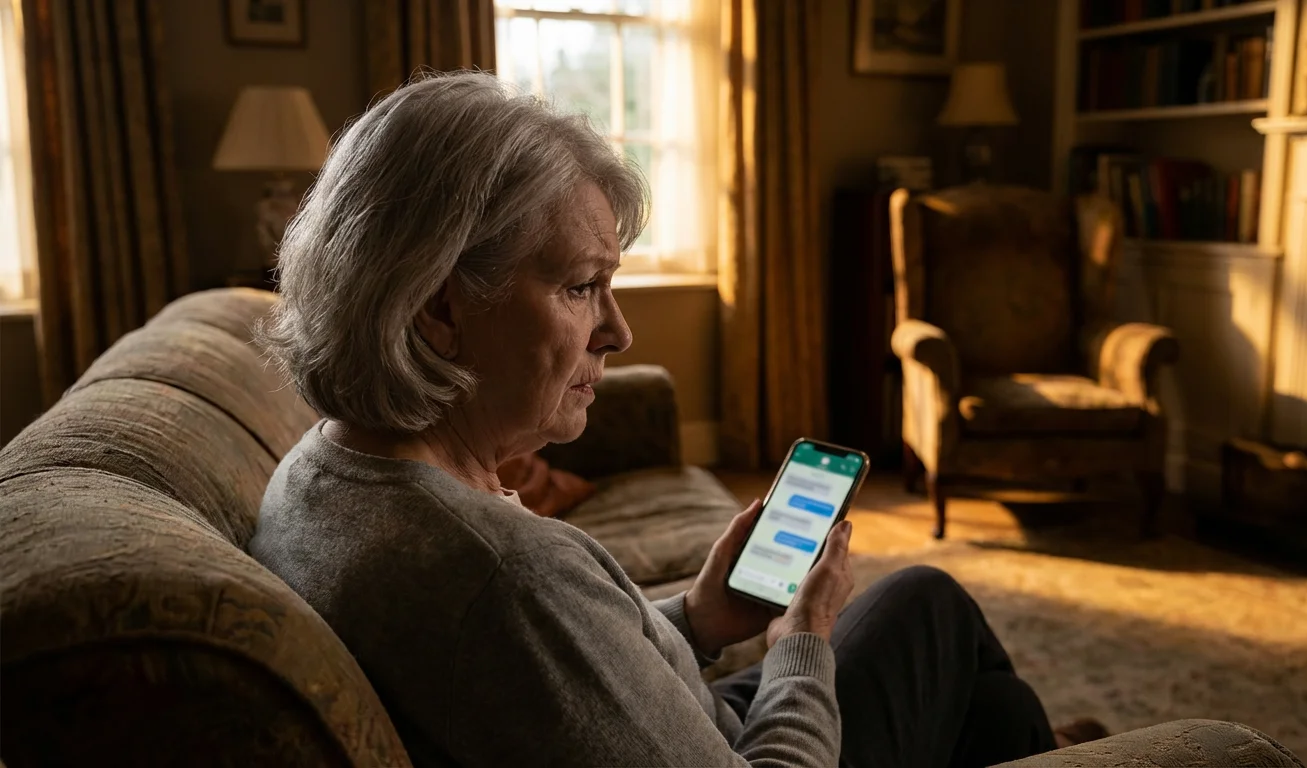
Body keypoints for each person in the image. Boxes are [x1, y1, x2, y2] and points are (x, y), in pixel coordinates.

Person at [250, 70, 1097, 768]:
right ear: (441, 307)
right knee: (935, 608)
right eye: (582, 287)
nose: (618, 331)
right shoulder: (502, 575)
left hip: (683, 728)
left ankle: (1024, 737)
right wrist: (803, 640)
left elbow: (575, 678)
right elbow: (547, 638)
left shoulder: (321, 468)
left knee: (961, 662)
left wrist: (698, 616)